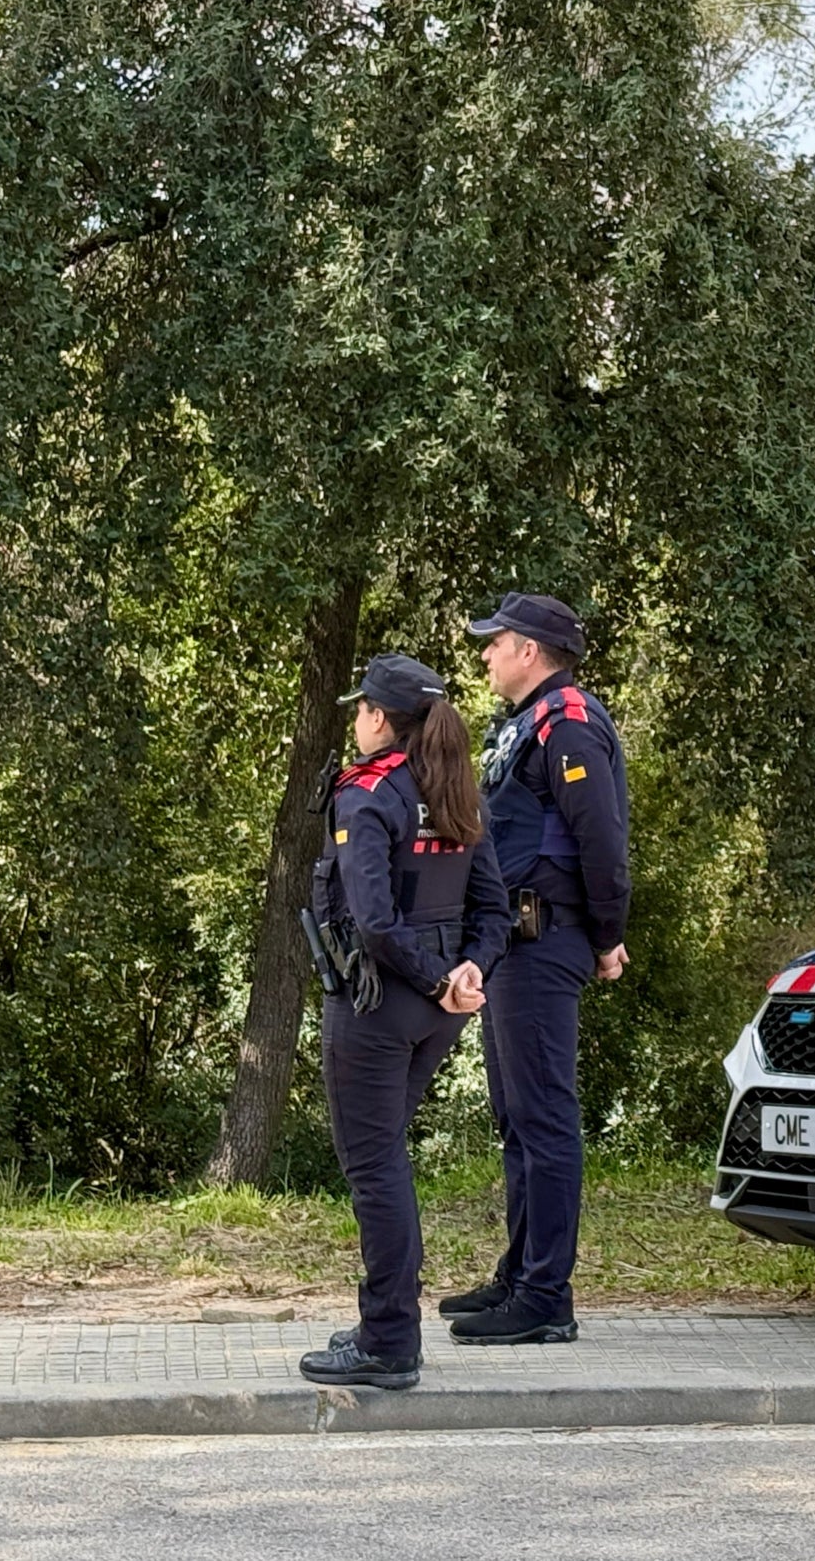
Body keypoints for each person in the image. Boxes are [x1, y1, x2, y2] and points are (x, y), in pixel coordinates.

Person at [298, 654, 511, 1392]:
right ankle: (385, 1325)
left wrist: (434, 978)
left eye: (359, 708)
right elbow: (492, 909)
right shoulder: (451, 790)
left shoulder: (369, 795)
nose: (354, 718)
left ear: (380, 719)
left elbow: (374, 922)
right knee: (387, 1160)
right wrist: (464, 975)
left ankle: (388, 1340)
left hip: (377, 1005)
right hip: (438, 1011)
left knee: (374, 1169)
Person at [438, 593, 630, 1346]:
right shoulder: (525, 725)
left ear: (530, 649)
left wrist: (607, 935)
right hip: (512, 944)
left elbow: (601, 840)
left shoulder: (569, 721)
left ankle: (547, 1296)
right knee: (517, 1118)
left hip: (545, 938)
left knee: (545, 1119)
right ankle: (520, 1274)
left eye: (495, 642)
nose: (485, 654)